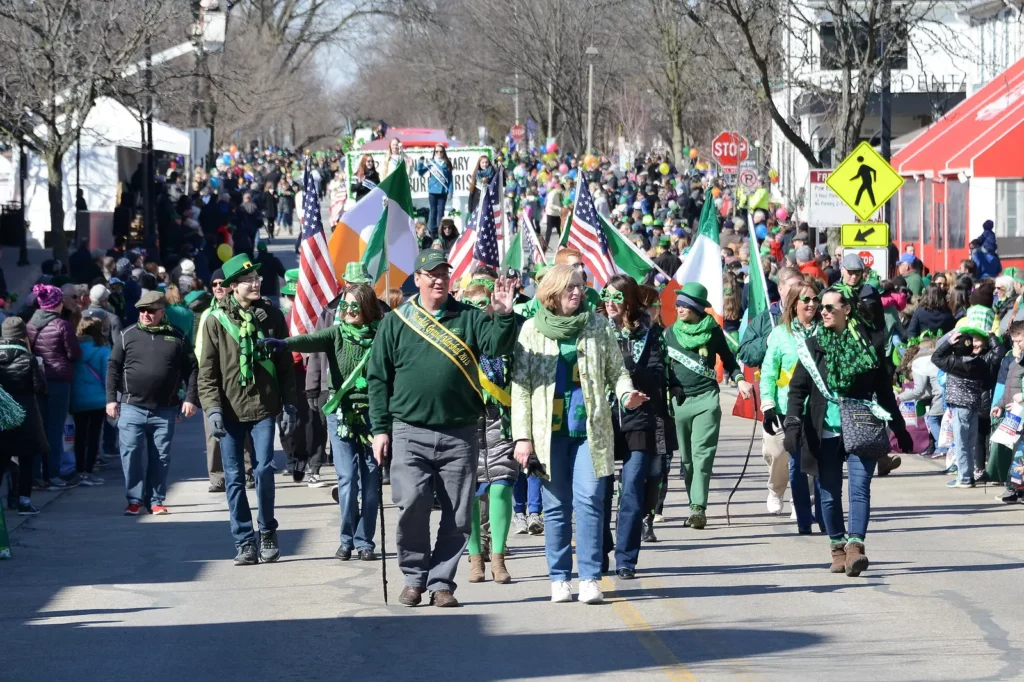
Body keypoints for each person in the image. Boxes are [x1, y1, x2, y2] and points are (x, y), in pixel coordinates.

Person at [367, 249, 518, 608]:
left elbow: (497, 344)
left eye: (443, 273)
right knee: (412, 503)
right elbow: (378, 378)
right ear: (416, 279)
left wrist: (504, 313)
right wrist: (380, 429)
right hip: (408, 429)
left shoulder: (468, 316)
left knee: (460, 513)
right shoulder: (397, 321)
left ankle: (441, 582)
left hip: (460, 431)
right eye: (430, 274)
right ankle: (414, 577)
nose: (438, 279)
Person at [511, 264, 645, 605]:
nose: (578, 292)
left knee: (590, 502)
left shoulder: (598, 326)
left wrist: (627, 393)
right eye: (570, 287)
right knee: (556, 508)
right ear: (552, 294)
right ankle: (559, 577)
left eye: (580, 287)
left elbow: (616, 370)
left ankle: (589, 578)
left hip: (589, 431)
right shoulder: (531, 331)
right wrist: (522, 437)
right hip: (547, 434)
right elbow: (521, 389)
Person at [784, 285, 912, 576]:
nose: (823, 311)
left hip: (861, 425)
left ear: (847, 309)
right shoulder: (813, 344)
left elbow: (884, 391)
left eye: (830, 307)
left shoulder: (870, 343)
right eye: (822, 307)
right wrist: (792, 423)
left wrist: (898, 427)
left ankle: (856, 547)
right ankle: (837, 548)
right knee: (828, 493)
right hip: (824, 427)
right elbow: (797, 389)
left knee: (859, 488)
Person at [265, 264, 384, 562]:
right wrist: (282, 344)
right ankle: (346, 539)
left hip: (373, 416)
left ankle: (365, 540)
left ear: (368, 307)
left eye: (355, 306)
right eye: (345, 306)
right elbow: (307, 340)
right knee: (347, 479)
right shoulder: (336, 334)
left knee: (371, 483)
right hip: (342, 415)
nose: (348, 311)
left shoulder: (384, 333)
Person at [198, 254, 297, 565]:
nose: (257, 283)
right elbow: (208, 370)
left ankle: (267, 530)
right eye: (249, 280)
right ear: (232, 287)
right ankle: (244, 540)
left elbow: (285, 363)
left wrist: (291, 403)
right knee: (234, 477)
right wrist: (212, 409)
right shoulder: (215, 321)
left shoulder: (272, 316)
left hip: (264, 405)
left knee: (265, 468)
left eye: (256, 278)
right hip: (229, 410)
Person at [599, 274, 674, 578]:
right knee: (600, 491)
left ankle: (626, 559)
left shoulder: (648, 335)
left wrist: (626, 367)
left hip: (640, 419)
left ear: (629, 300)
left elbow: (656, 378)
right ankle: (601, 549)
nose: (611, 302)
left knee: (631, 489)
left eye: (618, 297)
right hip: (603, 418)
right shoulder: (595, 331)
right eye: (607, 296)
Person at [666, 282, 752, 530]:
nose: (680, 307)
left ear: (696, 308)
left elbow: (729, 360)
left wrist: (740, 380)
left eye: (685, 304)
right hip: (679, 402)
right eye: (679, 303)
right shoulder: (669, 334)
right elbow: (660, 367)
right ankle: (693, 502)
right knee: (687, 461)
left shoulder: (713, 331)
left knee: (702, 456)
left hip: (706, 399)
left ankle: (698, 509)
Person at [106, 291, 199, 515]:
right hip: (131, 406)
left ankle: (156, 500)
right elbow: (113, 367)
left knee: (161, 456)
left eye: (150, 311)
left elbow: (192, 369)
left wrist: (190, 398)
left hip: (165, 410)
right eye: (142, 311)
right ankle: (135, 499)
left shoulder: (178, 337)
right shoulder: (127, 335)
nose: (145, 315)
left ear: (161, 312)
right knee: (131, 453)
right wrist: (111, 400)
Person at [460, 282, 517, 585]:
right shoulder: (459, 344)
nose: (480, 310)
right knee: (469, 492)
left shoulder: (506, 340)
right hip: (467, 422)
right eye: (473, 306)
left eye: (485, 304)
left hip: (501, 421)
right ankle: (474, 558)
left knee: (501, 487)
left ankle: (498, 558)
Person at [760, 277, 824, 533]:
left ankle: (824, 514)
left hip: (822, 408)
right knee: (795, 463)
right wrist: (768, 404)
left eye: (815, 299)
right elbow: (768, 372)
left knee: (821, 463)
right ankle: (803, 516)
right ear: (794, 304)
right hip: (790, 408)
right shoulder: (780, 334)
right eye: (805, 300)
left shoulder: (825, 331)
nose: (811, 304)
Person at [930, 305, 1004, 487]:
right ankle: (968, 475)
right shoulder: (979, 364)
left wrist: (948, 341)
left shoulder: (953, 362)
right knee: (970, 442)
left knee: (961, 442)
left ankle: (964, 478)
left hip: (959, 407)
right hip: (975, 406)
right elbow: (987, 380)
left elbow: (936, 357)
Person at [195, 269, 254, 493]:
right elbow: (200, 349)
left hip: (239, 379)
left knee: (245, 429)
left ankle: (248, 471)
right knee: (213, 432)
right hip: (212, 380)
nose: (218, 287)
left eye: (222, 283)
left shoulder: (242, 311)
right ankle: (217, 477)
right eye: (214, 284)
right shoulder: (208, 315)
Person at [27, 283, 82, 489]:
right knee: (55, 428)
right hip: (59, 380)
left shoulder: (29, 325)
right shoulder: (62, 325)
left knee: (37, 428)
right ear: (57, 304)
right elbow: (74, 354)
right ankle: (53, 474)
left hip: (36, 380)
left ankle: (35, 474)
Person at [0, 317, 48, 515]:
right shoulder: (29, 358)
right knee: (26, 460)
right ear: (22, 335)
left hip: (2, 417)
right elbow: (40, 389)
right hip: (25, 417)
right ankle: (24, 502)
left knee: (2, 460)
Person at [71, 315, 111, 487]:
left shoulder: (73, 349)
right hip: (97, 399)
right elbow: (107, 376)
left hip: (76, 398)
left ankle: (79, 470)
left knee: (79, 435)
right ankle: (89, 470)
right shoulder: (103, 350)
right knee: (94, 435)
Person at [416, 145, 454, 237]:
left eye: (441, 151)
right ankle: (433, 232)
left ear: (444, 152)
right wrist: (420, 162)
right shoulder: (431, 163)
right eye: (437, 151)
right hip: (432, 191)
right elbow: (420, 172)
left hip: (442, 191)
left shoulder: (447, 163)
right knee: (433, 211)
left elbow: (450, 179)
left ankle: (440, 231)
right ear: (434, 152)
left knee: (441, 212)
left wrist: (450, 191)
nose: (439, 153)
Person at [254, 242, 287, 306]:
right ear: (266, 249)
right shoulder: (274, 260)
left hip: (261, 293)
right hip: (273, 292)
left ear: (258, 250)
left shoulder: (255, 263)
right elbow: (283, 273)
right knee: (276, 313)